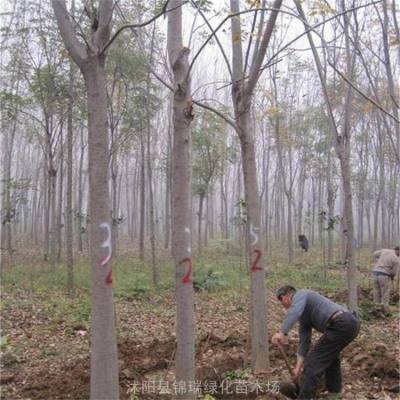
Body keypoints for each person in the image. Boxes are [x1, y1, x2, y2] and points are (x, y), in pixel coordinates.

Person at [272, 285, 360, 400]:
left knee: (312, 363)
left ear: (285, 297)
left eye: (281, 301)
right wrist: (297, 369)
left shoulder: (302, 294)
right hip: (347, 325)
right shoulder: (303, 316)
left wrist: (282, 332)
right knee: (331, 358)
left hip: (342, 322)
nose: (283, 306)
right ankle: (334, 394)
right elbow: (304, 342)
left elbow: (295, 311)